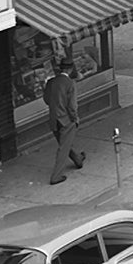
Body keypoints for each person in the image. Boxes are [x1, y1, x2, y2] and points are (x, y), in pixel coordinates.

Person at [44, 55, 86, 184]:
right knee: (63, 147)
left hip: (53, 119)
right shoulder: (70, 84)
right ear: (71, 69)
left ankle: (78, 159)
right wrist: (75, 119)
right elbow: (72, 106)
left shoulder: (51, 82)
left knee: (65, 143)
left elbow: (46, 100)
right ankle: (56, 176)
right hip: (66, 119)